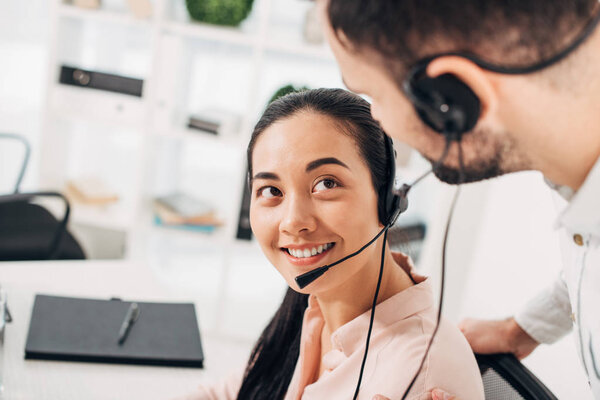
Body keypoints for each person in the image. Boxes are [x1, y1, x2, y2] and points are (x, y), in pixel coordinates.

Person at [316, 0, 600, 399]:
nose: (379, 119)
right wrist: (524, 328)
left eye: (373, 94)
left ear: (453, 98)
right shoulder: (578, 170)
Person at [178, 88, 484, 399]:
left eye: (326, 183)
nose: (293, 221)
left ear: (386, 201)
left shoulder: (418, 378)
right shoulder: (313, 303)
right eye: (271, 191)